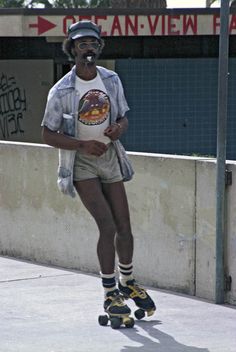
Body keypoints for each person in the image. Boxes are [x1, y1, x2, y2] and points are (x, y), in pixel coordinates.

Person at [41, 20, 156, 322]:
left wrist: (119, 128)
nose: (88, 50)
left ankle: (128, 281)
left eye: (92, 44)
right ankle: (109, 290)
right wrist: (81, 145)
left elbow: (123, 117)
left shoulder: (111, 80)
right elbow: (47, 134)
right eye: (81, 45)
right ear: (72, 50)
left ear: (99, 48)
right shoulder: (62, 90)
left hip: (109, 157)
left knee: (125, 227)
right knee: (106, 226)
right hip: (82, 163)